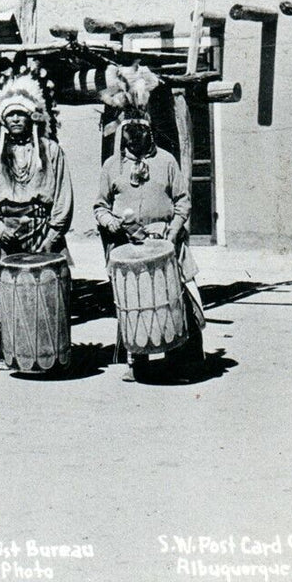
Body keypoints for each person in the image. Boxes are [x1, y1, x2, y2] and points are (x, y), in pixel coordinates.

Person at [94, 64, 206, 376]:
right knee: (136, 302)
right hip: (129, 246)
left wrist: (172, 233)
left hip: (166, 241)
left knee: (179, 300)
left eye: (139, 130)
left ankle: (183, 358)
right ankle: (137, 361)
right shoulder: (111, 167)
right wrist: (112, 223)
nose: (134, 137)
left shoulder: (166, 161)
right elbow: (100, 207)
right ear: (122, 133)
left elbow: (183, 201)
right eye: (128, 131)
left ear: (149, 129)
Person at [0, 65, 73, 286]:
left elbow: (63, 196)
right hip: (6, 233)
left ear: (31, 117)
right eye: (10, 114)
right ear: (3, 120)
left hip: (42, 230)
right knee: (8, 294)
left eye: (21, 113)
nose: (15, 119)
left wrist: (53, 236)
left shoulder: (51, 151)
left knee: (48, 294)